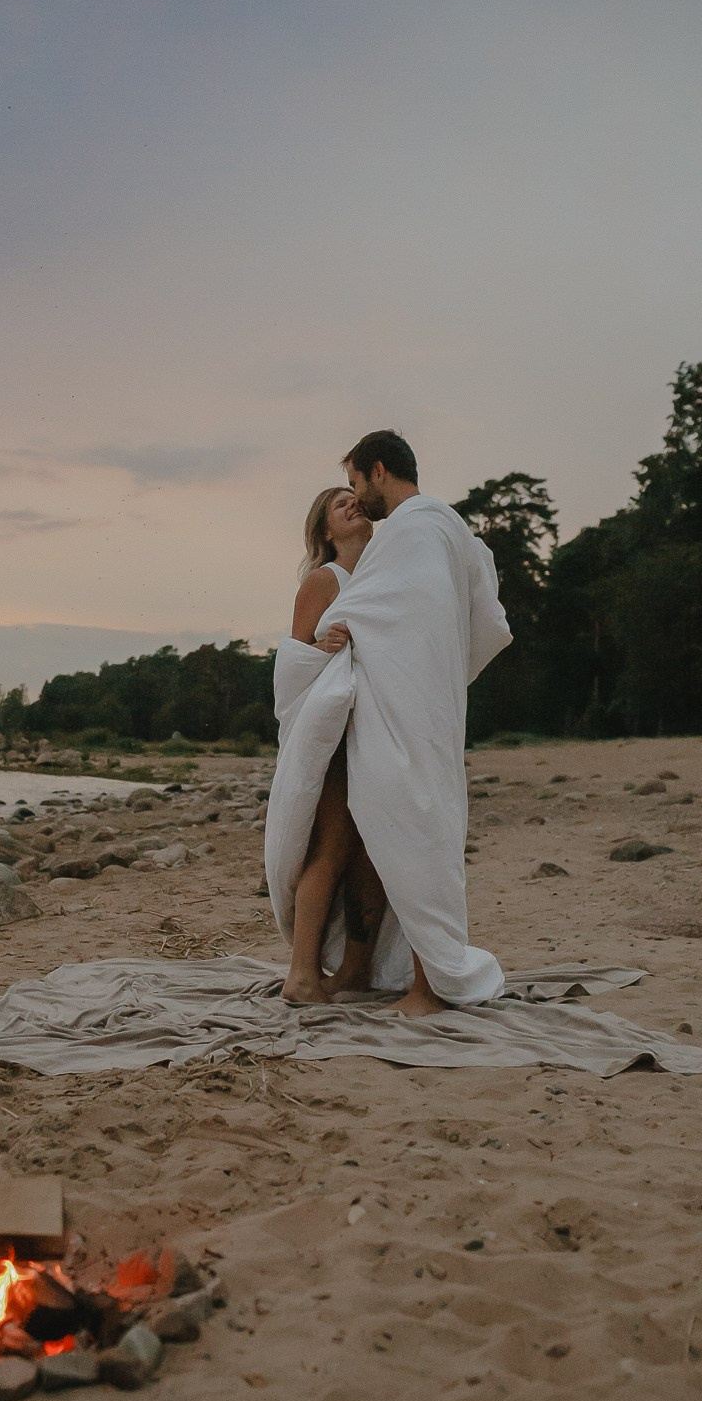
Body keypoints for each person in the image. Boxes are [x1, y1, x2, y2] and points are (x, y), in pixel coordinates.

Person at [318, 428, 513, 1014]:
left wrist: (349, 620)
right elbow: (488, 621)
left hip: (411, 709)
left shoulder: (418, 525)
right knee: (391, 834)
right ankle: (369, 970)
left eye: (355, 483)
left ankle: (428, 987)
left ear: (378, 470)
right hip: (422, 704)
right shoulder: (451, 530)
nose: (356, 498)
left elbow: (403, 605)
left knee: (420, 833)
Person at [280, 487, 383, 1004]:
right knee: (334, 847)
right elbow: (293, 665)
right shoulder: (324, 580)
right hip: (339, 740)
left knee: (375, 854)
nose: (353, 506)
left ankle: (355, 972)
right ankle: (301, 975)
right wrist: (324, 649)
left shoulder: (385, 574)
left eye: (355, 499)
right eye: (339, 506)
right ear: (325, 532)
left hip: (383, 733)